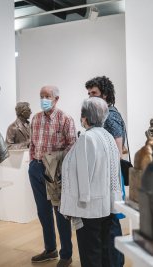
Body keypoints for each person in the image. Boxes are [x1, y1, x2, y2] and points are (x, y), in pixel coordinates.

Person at [60, 97, 122, 267]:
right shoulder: (108, 136)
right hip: (106, 205)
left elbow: (83, 176)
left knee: (91, 255)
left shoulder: (87, 138)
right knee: (104, 252)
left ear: (85, 118)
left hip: (89, 209)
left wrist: (74, 207)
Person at [29, 85, 76, 267]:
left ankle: (66, 254)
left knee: (61, 213)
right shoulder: (36, 118)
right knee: (43, 212)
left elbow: (72, 145)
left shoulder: (65, 119)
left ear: (56, 99)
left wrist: (61, 168)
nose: (43, 99)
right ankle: (50, 249)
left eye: (47, 96)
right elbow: (33, 143)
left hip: (56, 170)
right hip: (36, 168)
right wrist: (33, 162)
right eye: (41, 96)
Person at [85, 76, 125, 267]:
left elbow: (117, 152)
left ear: (105, 95)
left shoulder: (111, 115)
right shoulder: (104, 114)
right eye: (89, 94)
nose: (90, 97)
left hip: (109, 179)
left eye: (94, 93)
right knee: (107, 224)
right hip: (106, 178)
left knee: (110, 224)